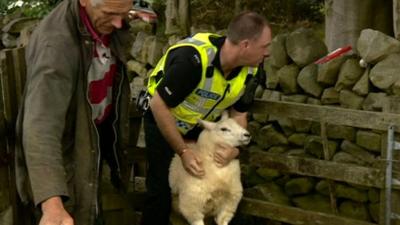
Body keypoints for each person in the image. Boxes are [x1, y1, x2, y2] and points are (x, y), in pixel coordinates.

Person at [140, 11, 272, 225]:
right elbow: (158, 105)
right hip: (164, 119)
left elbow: (239, 113)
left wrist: (233, 148)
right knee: (161, 189)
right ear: (245, 45)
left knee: (224, 182)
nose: (268, 53)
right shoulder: (192, 61)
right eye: (265, 46)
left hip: (202, 125)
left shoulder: (253, 70)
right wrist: (183, 151)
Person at [14, 0, 135, 224]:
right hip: (65, 158)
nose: (119, 23)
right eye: (110, 13)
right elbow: (40, 126)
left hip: (93, 143)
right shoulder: (56, 45)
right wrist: (52, 205)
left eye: (124, 13)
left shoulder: (102, 19)